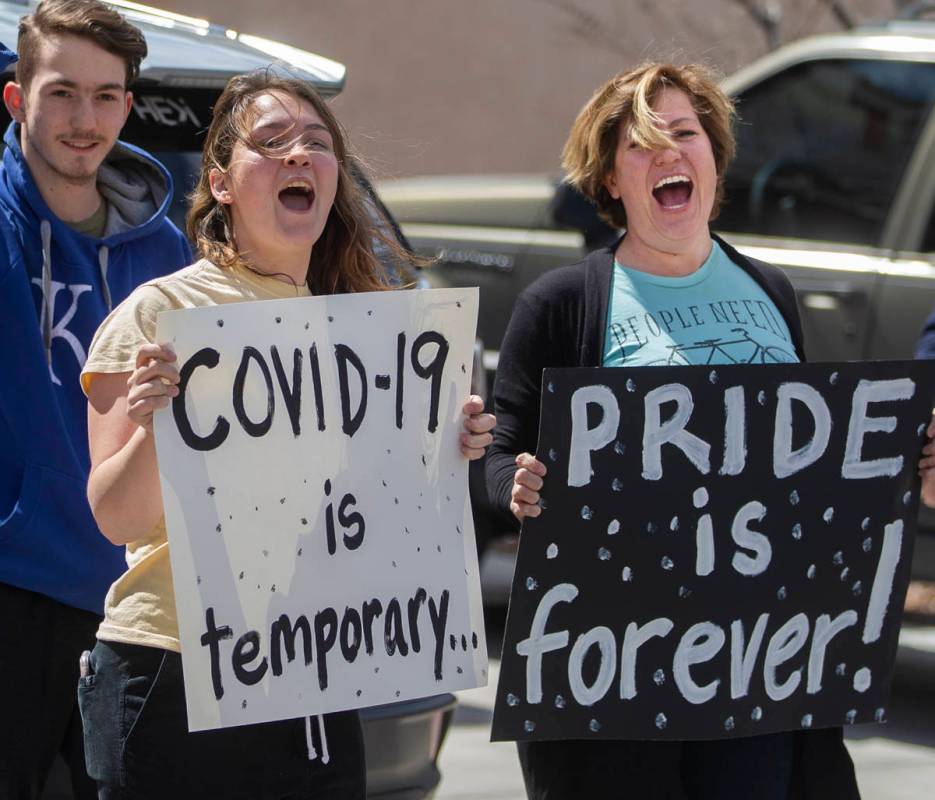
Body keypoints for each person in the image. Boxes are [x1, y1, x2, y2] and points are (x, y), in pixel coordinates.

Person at [79, 69, 495, 799]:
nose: (298, 155)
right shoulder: (162, 315)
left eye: (315, 142)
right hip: (178, 672)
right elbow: (116, 515)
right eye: (271, 143)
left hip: (314, 671)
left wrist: (443, 450)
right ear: (222, 183)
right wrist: (155, 427)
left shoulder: (364, 331)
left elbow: (374, 515)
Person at [485, 62, 862, 800]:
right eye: (639, 143)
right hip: (623, 668)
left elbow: (809, 464)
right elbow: (496, 457)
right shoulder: (562, 303)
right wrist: (516, 485)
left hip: (757, 659)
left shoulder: (771, 292)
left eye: (683, 133)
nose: (667, 154)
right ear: (609, 182)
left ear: (714, 158)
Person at [0, 1, 191, 796]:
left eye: (106, 95)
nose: (85, 120)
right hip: (12, 591)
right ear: (17, 98)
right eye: (62, 93)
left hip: (135, 605)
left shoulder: (166, 248)